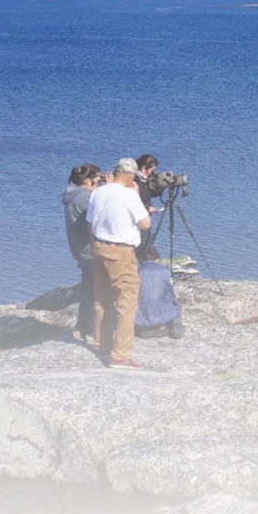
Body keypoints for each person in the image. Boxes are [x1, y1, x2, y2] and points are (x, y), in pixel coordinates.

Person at [85, 157, 151, 370]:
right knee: (126, 302)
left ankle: (102, 344)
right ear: (132, 176)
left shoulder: (99, 192)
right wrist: (137, 196)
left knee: (102, 299)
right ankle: (121, 356)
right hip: (121, 252)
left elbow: (89, 224)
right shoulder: (129, 194)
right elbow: (146, 223)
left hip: (99, 247)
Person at [61, 163, 102, 345]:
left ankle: (82, 327)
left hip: (79, 249)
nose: (101, 181)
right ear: (88, 180)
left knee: (87, 290)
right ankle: (93, 331)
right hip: (90, 250)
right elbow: (99, 221)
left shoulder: (72, 194)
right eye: (98, 178)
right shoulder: (86, 196)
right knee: (97, 292)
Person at [134, 242, 185, 340]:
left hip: (138, 320)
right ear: (157, 259)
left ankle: (142, 331)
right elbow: (171, 294)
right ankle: (174, 328)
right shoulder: (165, 271)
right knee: (174, 302)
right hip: (161, 318)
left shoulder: (135, 272)